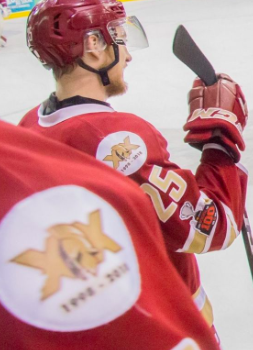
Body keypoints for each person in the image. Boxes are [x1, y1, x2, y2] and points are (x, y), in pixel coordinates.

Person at [19, 0, 249, 332]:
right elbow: (211, 227)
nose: (127, 55)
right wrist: (220, 145)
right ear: (93, 46)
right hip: (164, 328)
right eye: (119, 38)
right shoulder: (118, 139)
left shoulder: (29, 126)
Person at [0, 121, 220, 350]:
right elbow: (206, 229)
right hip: (169, 323)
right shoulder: (116, 131)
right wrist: (220, 148)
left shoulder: (30, 124)